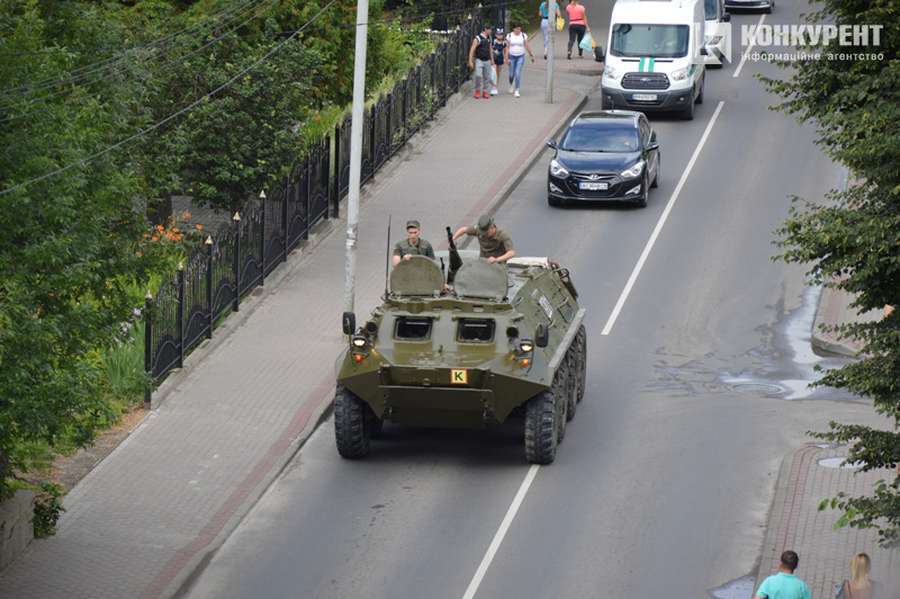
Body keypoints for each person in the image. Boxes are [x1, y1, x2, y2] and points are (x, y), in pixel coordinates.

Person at [505, 24, 535, 97]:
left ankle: (517, 90)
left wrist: (531, 55)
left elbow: (527, 45)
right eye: (517, 29)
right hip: (511, 56)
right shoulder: (509, 36)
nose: (518, 30)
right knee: (511, 74)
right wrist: (506, 58)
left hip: (520, 56)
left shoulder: (523, 35)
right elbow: (507, 48)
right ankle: (511, 84)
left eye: (519, 29)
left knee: (517, 73)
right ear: (513, 29)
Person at [468, 25, 494, 99]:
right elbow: (472, 50)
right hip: (479, 59)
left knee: (487, 77)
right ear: (485, 29)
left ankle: (485, 91)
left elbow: (490, 49)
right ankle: (477, 90)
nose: (491, 31)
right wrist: (470, 61)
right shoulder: (478, 38)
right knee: (478, 75)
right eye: (490, 29)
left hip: (487, 60)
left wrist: (492, 59)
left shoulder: (489, 38)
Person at [489, 28, 508, 96]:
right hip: (493, 59)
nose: (499, 36)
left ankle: (495, 87)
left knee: (497, 73)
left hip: (500, 59)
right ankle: (493, 85)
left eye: (501, 34)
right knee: (492, 73)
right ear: (496, 35)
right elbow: (490, 50)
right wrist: (491, 59)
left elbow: (506, 51)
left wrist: (506, 59)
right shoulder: (493, 41)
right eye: (498, 34)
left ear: (503, 35)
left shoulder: (504, 42)